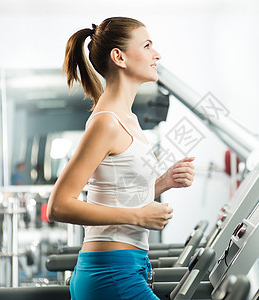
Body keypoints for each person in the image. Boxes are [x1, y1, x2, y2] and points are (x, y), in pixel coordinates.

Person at [47, 16, 195, 300]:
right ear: (119, 57)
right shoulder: (107, 123)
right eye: (148, 45)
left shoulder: (129, 120)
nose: (157, 54)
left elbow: (117, 195)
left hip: (128, 267)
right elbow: (59, 205)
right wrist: (138, 215)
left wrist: (163, 183)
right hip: (110, 273)